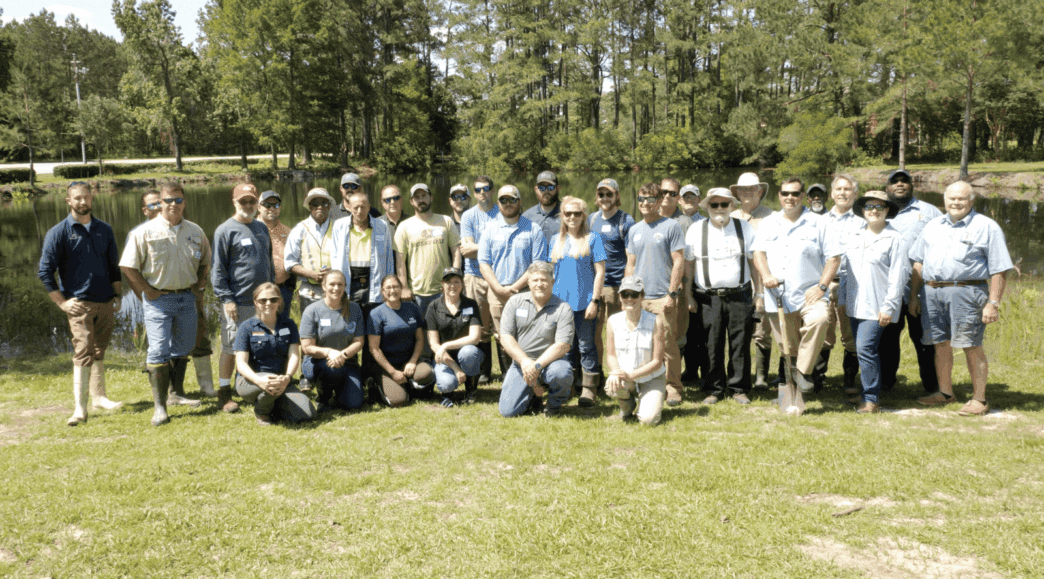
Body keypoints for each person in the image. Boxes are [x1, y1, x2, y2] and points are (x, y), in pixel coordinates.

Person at [120, 183, 224, 426]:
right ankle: (160, 407)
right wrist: (146, 290)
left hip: (186, 297)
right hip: (159, 300)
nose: (173, 205)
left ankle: (176, 394)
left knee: (183, 347)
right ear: (160, 203)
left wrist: (199, 286)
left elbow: (205, 262)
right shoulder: (144, 232)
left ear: (184, 202)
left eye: (178, 200)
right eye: (168, 200)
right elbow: (127, 265)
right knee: (158, 350)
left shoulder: (195, 231)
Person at [910, 181, 1013, 416]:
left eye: (962, 199)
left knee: (970, 345)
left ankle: (979, 399)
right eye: (952, 199)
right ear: (944, 200)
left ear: (972, 201)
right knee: (940, 344)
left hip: (967, 292)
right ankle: (945, 393)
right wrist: (914, 296)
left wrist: (993, 303)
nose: (956, 203)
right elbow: (918, 261)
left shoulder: (987, 227)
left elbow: (999, 269)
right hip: (932, 293)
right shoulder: (933, 225)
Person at [38, 182, 123, 425]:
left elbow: (113, 266)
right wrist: (62, 303)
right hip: (79, 304)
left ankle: (99, 398)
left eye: (86, 197)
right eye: (77, 198)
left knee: (98, 350)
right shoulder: (59, 232)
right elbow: (45, 272)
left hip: (105, 300)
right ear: (68, 201)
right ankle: (79, 409)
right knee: (83, 350)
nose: (82, 202)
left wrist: (117, 295)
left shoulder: (104, 229)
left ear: (92, 199)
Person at [751, 177, 842, 398]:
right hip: (778, 295)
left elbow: (834, 258)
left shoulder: (820, 222)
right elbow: (758, 253)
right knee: (788, 348)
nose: (789, 198)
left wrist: (821, 287)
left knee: (820, 320)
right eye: (785, 194)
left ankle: (803, 372)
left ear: (803, 196)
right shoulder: (768, 222)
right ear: (779, 196)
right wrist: (766, 276)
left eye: (795, 194)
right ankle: (791, 395)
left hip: (811, 293)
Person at [685, 188, 756, 405]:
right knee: (711, 343)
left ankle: (739, 388)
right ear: (706, 207)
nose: (719, 209)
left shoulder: (744, 227)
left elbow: (754, 262)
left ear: (732, 206)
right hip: (708, 297)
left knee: (740, 343)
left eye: (724, 204)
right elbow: (688, 265)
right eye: (714, 205)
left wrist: (759, 293)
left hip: (740, 294)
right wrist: (688, 294)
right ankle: (713, 389)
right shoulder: (696, 229)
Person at [842, 191, 909, 414]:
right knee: (863, 349)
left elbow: (898, 276)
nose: (874, 211)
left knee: (865, 348)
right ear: (862, 210)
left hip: (878, 306)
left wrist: (889, 306)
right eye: (869, 206)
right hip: (854, 305)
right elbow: (845, 271)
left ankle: (871, 398)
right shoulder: (854, 235)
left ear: (887, 211)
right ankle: (867, 393)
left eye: (879, 207)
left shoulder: (895, 238)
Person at [211, 183, 275, 410]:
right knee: (230, 348)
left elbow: (268, 263)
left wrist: (273, 292)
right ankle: (224, 391)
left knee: (260, 345)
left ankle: (253, 384)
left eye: (251, 201)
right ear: (234, 202)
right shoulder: (225, 230)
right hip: (238, 302)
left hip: (263, 303)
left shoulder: (261, 227)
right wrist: (226, 298)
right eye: (243, 201)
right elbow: (218, 269)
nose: (248, 205)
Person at [624, 182, 686, 406]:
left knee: (667, 344)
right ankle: (640, 384)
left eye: (650, 199)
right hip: (639, 297)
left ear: (660, 201)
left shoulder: (671, 226)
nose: (645, 203)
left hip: (662, 296)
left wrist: (672, 293)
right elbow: (630, 263)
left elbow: (679, 261)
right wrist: (628, 292)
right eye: (641, 199)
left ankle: (673, 387)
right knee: (639, 343)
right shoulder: (634, 230)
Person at [880, 169, 942, 394]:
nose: (899, 184)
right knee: (887, 340)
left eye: (904, 181)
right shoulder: (880, 209)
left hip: (921, 288)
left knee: (925, 339)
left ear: (911, 185)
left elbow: (942, 243)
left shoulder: (929, 211)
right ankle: (886, 383)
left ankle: (932, 385)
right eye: (894, 181)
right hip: (889, 289)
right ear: (887, 187)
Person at [478, 185, 549, 379]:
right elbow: (484, 263)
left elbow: (537, 263)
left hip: (525, 291)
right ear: (498, 203)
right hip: (497, 291)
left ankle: (531, 375)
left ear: (519, 202)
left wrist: (515, 287)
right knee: (502, 335)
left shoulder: (533, 228)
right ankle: (508, 377)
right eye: (503, 200)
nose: (507, 204)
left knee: (526, 333)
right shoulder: (490, 229)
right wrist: (498, 288)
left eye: (512, 199)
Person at [498, 262, 575, 418]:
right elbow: (506, 337)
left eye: (544, 280)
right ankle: (535, 395)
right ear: (528, 283)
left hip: (551, 363)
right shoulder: (514, 302)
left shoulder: (563, 308)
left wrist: (537, 365)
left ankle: (554, 405)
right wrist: (525, 361)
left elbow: (563, 345)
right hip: (522, 364)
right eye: (535, 280)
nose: (540, 284)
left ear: (552, 282)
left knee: (561, 373)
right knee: (508, 412)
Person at [550, 196, 606, 405]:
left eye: (577, 213)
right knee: (566, 346)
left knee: (586, 346)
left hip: (584, 303)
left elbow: (600, 272)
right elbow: (552, 273)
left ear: (584, 216)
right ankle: (569, 385)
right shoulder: (556, 240)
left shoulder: (593, 238)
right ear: (562, 217)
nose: (572, 217)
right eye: (568, 213)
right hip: (560, 304)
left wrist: (595, 300)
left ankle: (589, 388)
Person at [234, 283, 315, 425]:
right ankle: (262, 411)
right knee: (271, 382)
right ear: (255, 302)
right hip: (250, 381)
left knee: (308, 414)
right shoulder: (246, 327)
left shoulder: (289, 325)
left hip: (281, 381)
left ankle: (273, 404)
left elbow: (294, 355)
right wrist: (258, 380)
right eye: (263, 300)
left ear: (279, 301)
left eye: (273, 299)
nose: (268, 303)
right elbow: (241, 363)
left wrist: (288, 377)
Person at [817, 174, 861, 397]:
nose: (843, 193)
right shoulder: (820, 220)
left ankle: (849, 379)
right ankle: (818, 378)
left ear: (855, 193)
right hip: (825, 283)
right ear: (832, 194)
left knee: (850, 335)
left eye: (848, 189)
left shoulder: (863, 221)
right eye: (839, 189)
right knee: (823, 332)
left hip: (852, 283)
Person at [588, 178, 635, 382]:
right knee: (595, 333)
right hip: (596, 286)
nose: (605, 198)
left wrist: (627, 288)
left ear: (617, 196)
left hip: (618, 285)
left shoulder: (627, 221)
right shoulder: (591, 220)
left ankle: (623, 374)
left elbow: (631, 257)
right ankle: (596, 375)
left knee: (620, 333)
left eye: (609, 194)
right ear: (596, 198)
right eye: (601, 194)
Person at [730, 172, 774, 388]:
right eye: (743, 189)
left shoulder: (772, 217)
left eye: (752, 188)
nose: (747, 192)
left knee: (762, 330)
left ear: (760, 191)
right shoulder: (730, 214)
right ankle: (739, 375)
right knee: (738, 331)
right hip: (736, 282)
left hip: (763, 281)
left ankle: (761, 377)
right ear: (737, 193)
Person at [299, 270, 366, 412]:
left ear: (345, 286)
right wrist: (329, 352)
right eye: (332, 284)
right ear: (323, 286)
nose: (336, 288)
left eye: (340, 284)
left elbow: (359, 341)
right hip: (318, 362)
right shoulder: (312, 310)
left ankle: (340, 392)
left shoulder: (354, 309)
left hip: (347, 362)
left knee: (353, 404)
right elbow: (306, 347)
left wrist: (342, 355)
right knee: (331, 370)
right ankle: (324, 398)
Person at [604, 276, 667, 425]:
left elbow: (657, 362)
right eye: (625, 294)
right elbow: (611, 355)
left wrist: (629, 376)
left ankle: (649, 400)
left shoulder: (656, 321)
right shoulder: (613, 321)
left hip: (651, 377)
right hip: (626, 376)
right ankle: (627, 408)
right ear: (620, 297)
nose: (629, 298)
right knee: (612, 385)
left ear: (642, 296)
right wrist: (616, 373)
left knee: (648, 420)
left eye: (634, 294)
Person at [367, 275, 435, 406]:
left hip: (408, 360)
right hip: (387, 365)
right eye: (388, 288)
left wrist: (413, 362)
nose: (392, 290)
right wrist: (393, 372)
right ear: (382, 291)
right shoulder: (376, 314)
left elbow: (420, 339)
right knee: (399, 401)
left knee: (426, 374)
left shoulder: (412, 307)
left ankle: (410, 384)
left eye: (395, 287)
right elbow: (373, 348)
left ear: (401, 288)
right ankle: (376, 385)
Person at [395, 183, 461, 317]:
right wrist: (404, 287)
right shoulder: (404, 226)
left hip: (442, 289)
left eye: (424, 196)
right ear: (411, 202)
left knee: (443, 330)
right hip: (416, 292)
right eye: (417, 197)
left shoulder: (446, 221)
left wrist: (453, 281)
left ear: (431, 197)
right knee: (419, 332)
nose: (421, 200)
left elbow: (456, 253)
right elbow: (400, 261)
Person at [459, 175, 499, 384]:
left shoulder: (501, 213)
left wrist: (479, 248)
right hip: (474, 276)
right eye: (478, 189)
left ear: (492, 190)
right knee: (480, 325)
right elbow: (466, 250)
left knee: (501, 325)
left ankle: (508, 370)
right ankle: (484, 371)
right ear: (474, 193)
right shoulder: (468, 216)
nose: (482, 192)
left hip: (499, 276)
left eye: (486, 188)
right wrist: (492, 247)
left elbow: (505, 247)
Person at [658, 178, 697, 389]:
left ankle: (673, 383)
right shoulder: (650, 218)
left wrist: (684, 292)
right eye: (663, 192)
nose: (666, 196)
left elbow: (687, 261)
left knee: (675, 336)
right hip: (654, 288)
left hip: (677, 289)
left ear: (679, 197)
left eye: (672, 193)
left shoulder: (683, 222)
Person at [426, 268, 484, 406]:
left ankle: (471, 390)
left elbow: (475, 338)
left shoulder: (471, 304)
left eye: (456, 282)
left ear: (462, 284)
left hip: (466, 353)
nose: (452, 286)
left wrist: (445, 345)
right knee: (446, 384)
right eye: (448, 282)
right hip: (444, 357)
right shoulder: (433, 307)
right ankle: (448, 394)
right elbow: (434, 344)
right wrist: (456, 368)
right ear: (442, 284)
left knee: (468, 352)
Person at [330, 189, 396, 308]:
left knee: (373, 317)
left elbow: (388, 257)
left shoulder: (381, 225)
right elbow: (334, 256)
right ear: (349, 207)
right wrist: (336, 280)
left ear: (369, 207)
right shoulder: (339, 226)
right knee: (351, 317)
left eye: (363, 207)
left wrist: (389, 283)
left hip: (373, 277)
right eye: (356, 207)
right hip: (349, 276)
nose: (359, 211)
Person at [285, 187, 338, 315]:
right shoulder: (299, 230)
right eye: (315, 203)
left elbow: (347, 258)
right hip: (308, 292)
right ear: (309, 206)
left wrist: (333, 270)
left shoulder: (338, 228)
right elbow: (289, 263)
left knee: (335, 330)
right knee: (310, 331)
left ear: (329, 206)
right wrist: (311, 274)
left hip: (335, 291)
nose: (319, 207)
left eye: (324, 203)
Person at [259, 190, 295, 310]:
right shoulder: (251, 230)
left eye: (276, 205)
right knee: (261, 326)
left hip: (284, 289)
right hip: (259, 291)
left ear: (280, 208)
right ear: (259, 207)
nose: (272, 208)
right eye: (267, 205)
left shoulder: (288, 231)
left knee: (283, 325)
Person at [523, 170, 562, 244]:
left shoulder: (570, 215)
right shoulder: (526, 217)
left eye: (550, 187)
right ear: (536, 189)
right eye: (542, 188)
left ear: (558, 188)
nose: (546, 191)